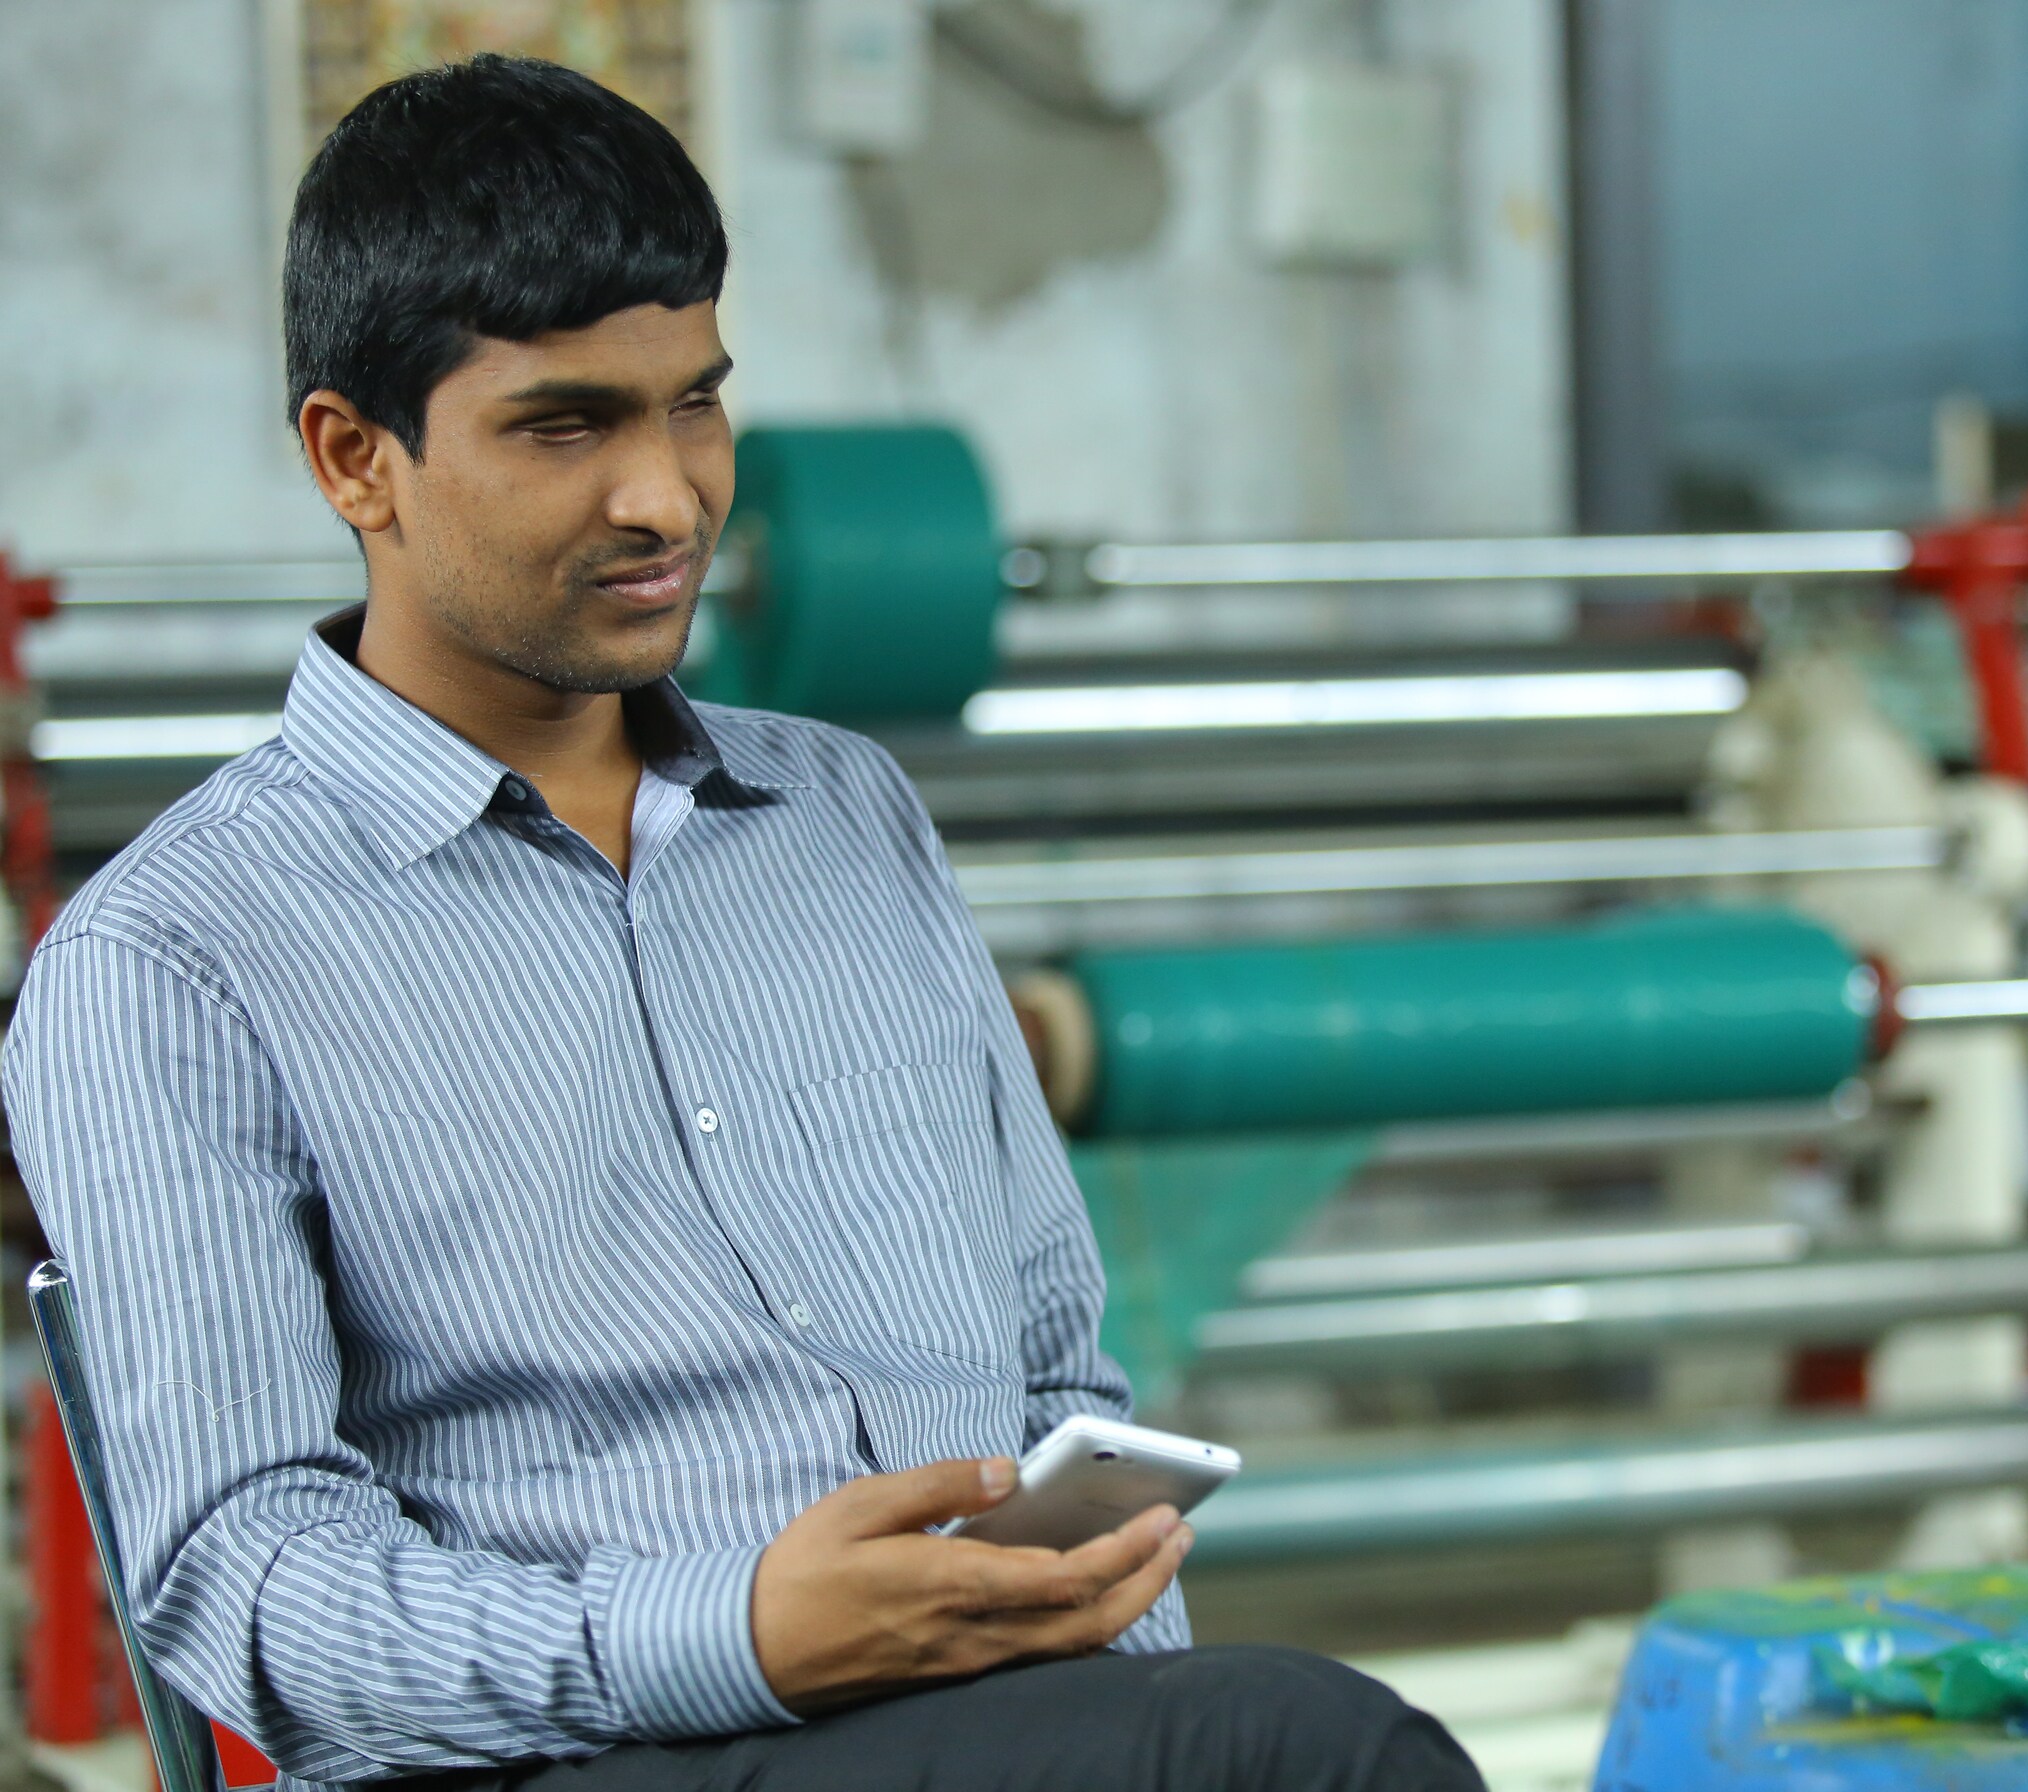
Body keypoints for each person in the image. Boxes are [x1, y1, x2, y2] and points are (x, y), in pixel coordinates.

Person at [5, 54, 1480, 1792]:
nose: (666, 498)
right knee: (1309, 1748)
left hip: (971, 1724)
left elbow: (1048, 1376)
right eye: (564, 427)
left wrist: (1104, 1675)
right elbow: (253, 1598)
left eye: (693, 404)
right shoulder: (174, 960)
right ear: (356, 458)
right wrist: (741, 1632)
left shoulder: (847, 818)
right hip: (568, 1755)